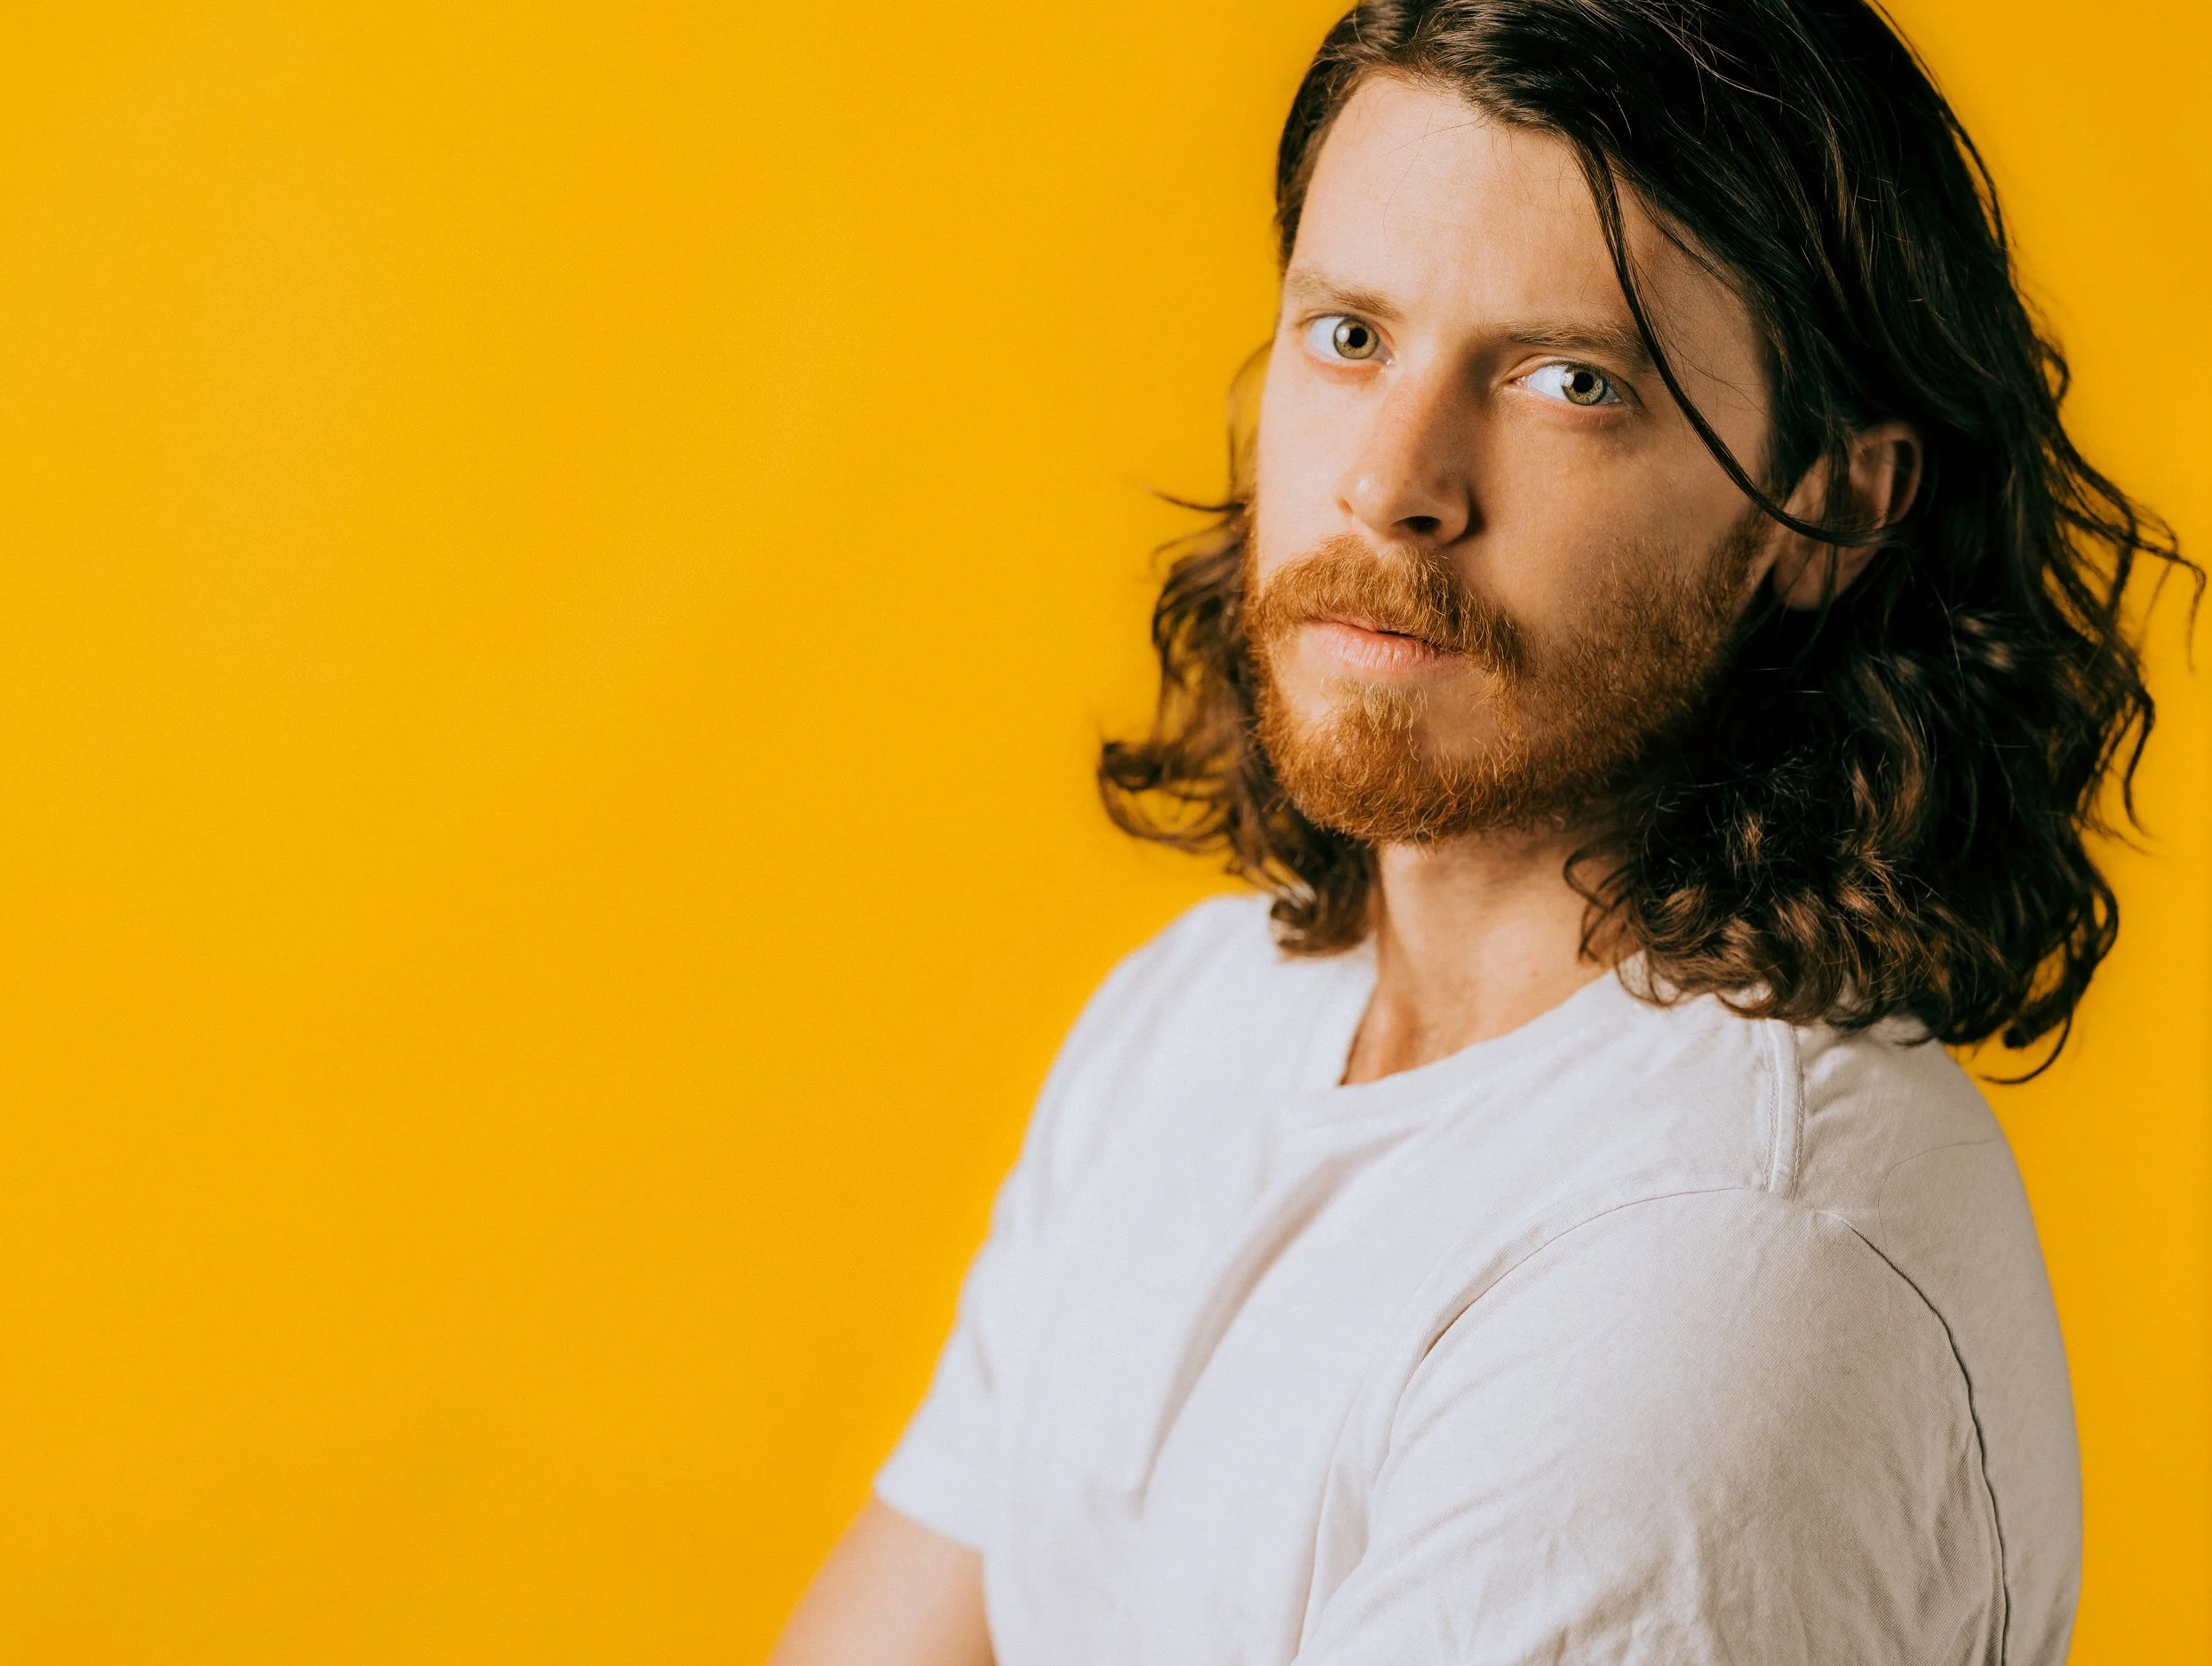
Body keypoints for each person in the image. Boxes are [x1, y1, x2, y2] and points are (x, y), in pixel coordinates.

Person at [771, 2, 2190, 1662]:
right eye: (1351, 336)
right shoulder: (1198, 1016)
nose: (1394, 481)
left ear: (1831, 504)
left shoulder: (1720, 1275)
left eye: (1569, 379)